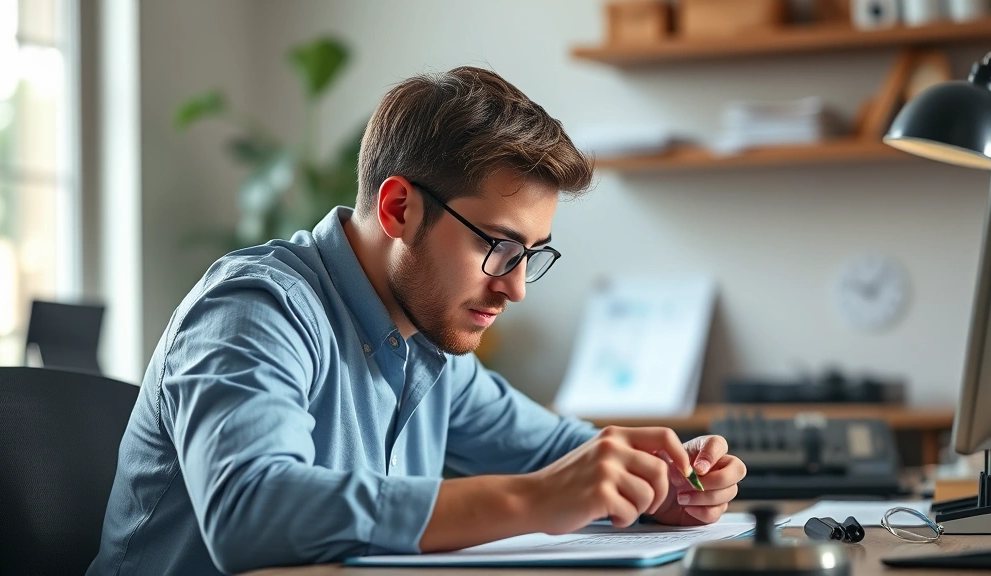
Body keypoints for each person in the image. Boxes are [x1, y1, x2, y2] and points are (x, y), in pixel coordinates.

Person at [88, 66, 746, 575]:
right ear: (400, 208)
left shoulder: (426, 346)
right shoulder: (257, 307)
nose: (515, 286)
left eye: (531, 256)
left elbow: (560, 457)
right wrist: (528, 501)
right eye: (498, 246)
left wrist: (657, 481)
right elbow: (249, 509)